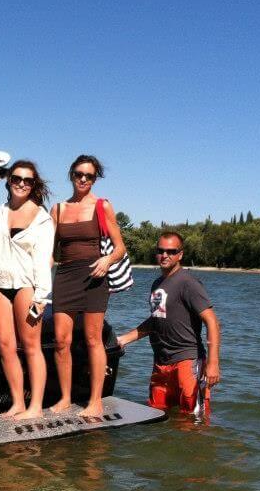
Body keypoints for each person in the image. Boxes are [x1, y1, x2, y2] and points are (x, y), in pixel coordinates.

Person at [50, 155, 127, 418]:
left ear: (95, 179)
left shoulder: (102, 206)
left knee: (94, 339)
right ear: (71, 174)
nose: (83, 179)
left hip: (95, 276)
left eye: (89, 176)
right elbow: (50, 253)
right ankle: (65, 397)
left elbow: (120, 248)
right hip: (65, 276)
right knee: (61, 341)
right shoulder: (57, 209)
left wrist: (106, 259)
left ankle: (95, 401)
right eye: (79, 174)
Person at [0, 160, 54, 420]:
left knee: (31, 347)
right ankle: (17, 403)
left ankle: (35, 407)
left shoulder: (42, 218)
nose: (22, 184)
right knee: (5, 346)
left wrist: (42, 296)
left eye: (28, 180)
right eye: (17, 179)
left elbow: (44, 260)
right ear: (9, 181)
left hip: (26, 286)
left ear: (34, 185)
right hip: (0, 284)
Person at [117, 232, 221, 416]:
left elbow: (211, 321)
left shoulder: (188, 283)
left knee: (193, 420)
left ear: (180, 254)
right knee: (158, 414)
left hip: (187, 361)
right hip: (161, 363)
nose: (165, 255)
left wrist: (213, 363)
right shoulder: (157, 284)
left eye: (171, 251)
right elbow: (156, 320)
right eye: (160, 250)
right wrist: (124, 339)